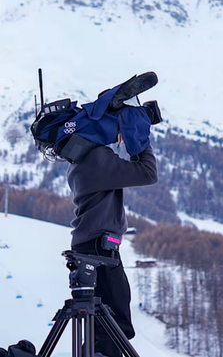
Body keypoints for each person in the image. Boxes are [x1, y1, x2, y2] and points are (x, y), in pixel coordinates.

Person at [67, 99, 158, 356]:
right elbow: (148, 173)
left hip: (91, 245)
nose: (117, 138)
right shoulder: (97, 159)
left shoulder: (80, 160)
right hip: (98, 248)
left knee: (102, 326)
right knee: (117, 324)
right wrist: (139, 137)